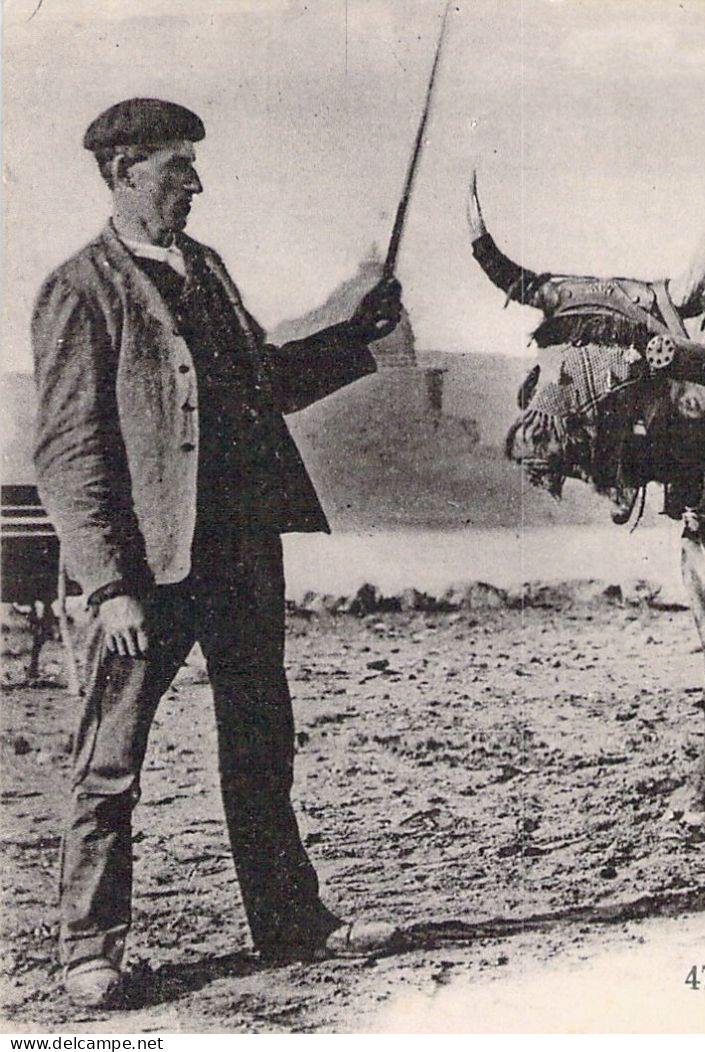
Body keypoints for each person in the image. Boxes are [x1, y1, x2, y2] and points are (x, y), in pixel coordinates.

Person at [32, 97, 405, 1009]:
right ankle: (91, 951)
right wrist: (109, 584)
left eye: (194, 167)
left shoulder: (207, 269)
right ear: (123, 174)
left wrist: (354, 333)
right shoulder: (80, 286)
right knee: (111, 759)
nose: (195, 185)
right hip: (144, 573)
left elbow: (263, 384)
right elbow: (69, 451)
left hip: (241, 555)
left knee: (259, 744)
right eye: (176, 169)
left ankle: (291, 926)